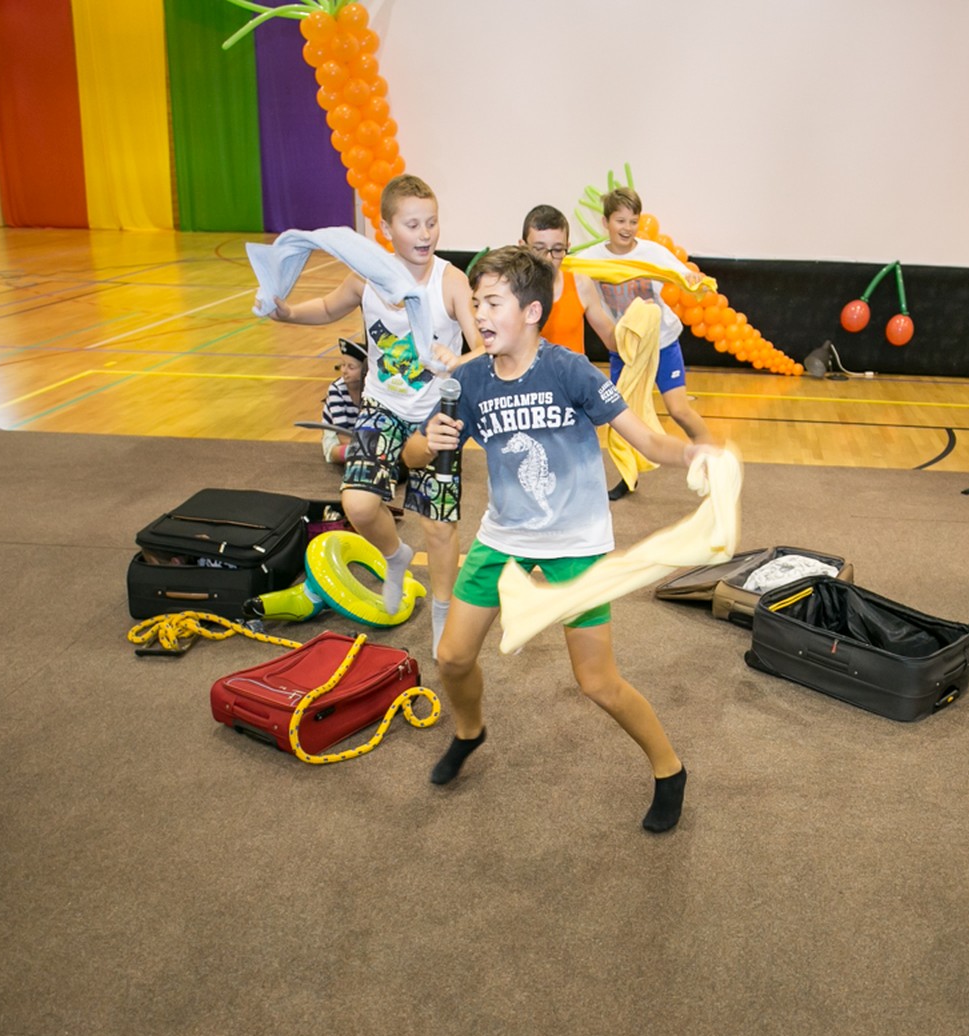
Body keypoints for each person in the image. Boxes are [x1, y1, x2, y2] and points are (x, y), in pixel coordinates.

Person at [404, 246, 710, 833]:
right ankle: (469, 732)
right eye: (476, 303)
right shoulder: (468, 380)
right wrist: (427, 441)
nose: (479, 314)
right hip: (504, 537)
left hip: (576, 542)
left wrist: (696, 454)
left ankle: (669, 770)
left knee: (597, 682)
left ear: (532, 312)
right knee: (451, 656)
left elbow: (647, 440)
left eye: (493, 303)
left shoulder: (570, 371)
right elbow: (415, 456)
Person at [268, 175, 481, 651]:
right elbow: (328, 307)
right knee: (359, 504)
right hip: (382, 405)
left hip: (436, 417)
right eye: (412, 225)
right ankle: (395, 556)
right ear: (386, 229)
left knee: (438, 525)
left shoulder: (450, 280)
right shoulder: (366, 277)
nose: (425, 234)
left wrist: (458, 359)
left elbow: (483, 346)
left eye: (432, 223)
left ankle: (442, 615)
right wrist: (289, 313)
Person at [580, 186, 714, 499]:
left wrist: (695, 282)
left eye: (633, 221)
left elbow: (685, 278)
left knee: (678, 409)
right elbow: (566, 273)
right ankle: (628, 477)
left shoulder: (652, 253)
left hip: (662, 342)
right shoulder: (590, 259)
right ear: (606, 222)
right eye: (620, 221)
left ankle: (711, 458)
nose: (627, 228)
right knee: (621, 416)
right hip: (625, 347)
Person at [519, 204, 615, 358]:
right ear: (523, 247)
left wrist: (635, 326)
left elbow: (611, 340)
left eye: (557, 250)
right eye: (539, 249)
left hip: (572, 374)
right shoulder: (510, 290)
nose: (548, 258)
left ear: (567, 247)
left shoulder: (580, 284)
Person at [321, 337, 368, 465]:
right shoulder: (336, 389)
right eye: (342, 365)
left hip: (362, 435)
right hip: (337, 436)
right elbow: (342, 435)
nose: (344, 371)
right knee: (339, 451)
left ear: (365, 370)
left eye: (351, 367)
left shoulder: (371, 389)